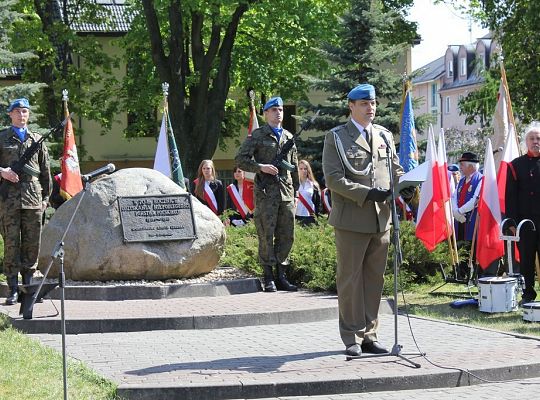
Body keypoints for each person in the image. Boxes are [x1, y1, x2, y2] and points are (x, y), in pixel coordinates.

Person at [322, 83, 411, 357]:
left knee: (374, 279)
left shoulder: (383, 135)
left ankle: (370, 334)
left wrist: (408, 182)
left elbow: (394, 170)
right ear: (351, 106)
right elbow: (333, 179)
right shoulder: (336, 137)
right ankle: (352, 336)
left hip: (380, 220)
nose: (370, 108)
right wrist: (368, 193)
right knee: (350, 279)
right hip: (351, 219)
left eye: (372, 103)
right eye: (364, 104)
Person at [236, 96, 299, 292]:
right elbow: (240, 159)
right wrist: (260, 167)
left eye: (280, 110)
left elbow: (294, 167)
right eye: (273, 110)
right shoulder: (257, 135)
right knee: (266, 234)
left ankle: (282, 275)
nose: (278, 113)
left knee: (287, 235)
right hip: (265, 193)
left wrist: (295, 192)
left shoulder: (288, 137)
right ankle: (268, 276)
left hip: (286, 193)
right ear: (265, 114)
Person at [0, 98, 51, 305]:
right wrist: (2, 172)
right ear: (10, 114)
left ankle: (28, 288)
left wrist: (46, 199)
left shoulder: (37, 139)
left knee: (32, 245)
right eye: (18, 112)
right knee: (12, 244)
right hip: (8, 201)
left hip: (33, 200)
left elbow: (46, 172)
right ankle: (12, 289)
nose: (22, 116)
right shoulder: (2, 137)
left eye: (25, 112)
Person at [505, 122, 540, 304]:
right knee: (526, 261)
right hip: (525, 223)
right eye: (532, 138)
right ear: (526, 141)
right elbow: (510, 196)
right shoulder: (515, 165)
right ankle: (528, 295)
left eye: (538, 138)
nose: (536, 142)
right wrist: (511, 222)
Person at [451, 152, 484, 279]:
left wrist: (460, 212)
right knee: (461, 246)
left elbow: (475, 200)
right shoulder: (462, 181)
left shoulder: (481, 179)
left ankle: (476, 275)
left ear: (471, 166)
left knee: (473, 246)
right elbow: (454, 196)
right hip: (460, 219)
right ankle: (462, 273)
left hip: (472, 219)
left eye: (463, 165)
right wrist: (455, 212)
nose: (461, 168)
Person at [295, 159, 321, 225]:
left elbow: (318, 204)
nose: (303, 171)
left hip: (310, 217)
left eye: (305, 168)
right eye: (301, 169)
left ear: (308, 170)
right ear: (297, 170)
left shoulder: (314, 185)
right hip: (296, 217)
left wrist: (317, 218)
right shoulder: (293, 184)